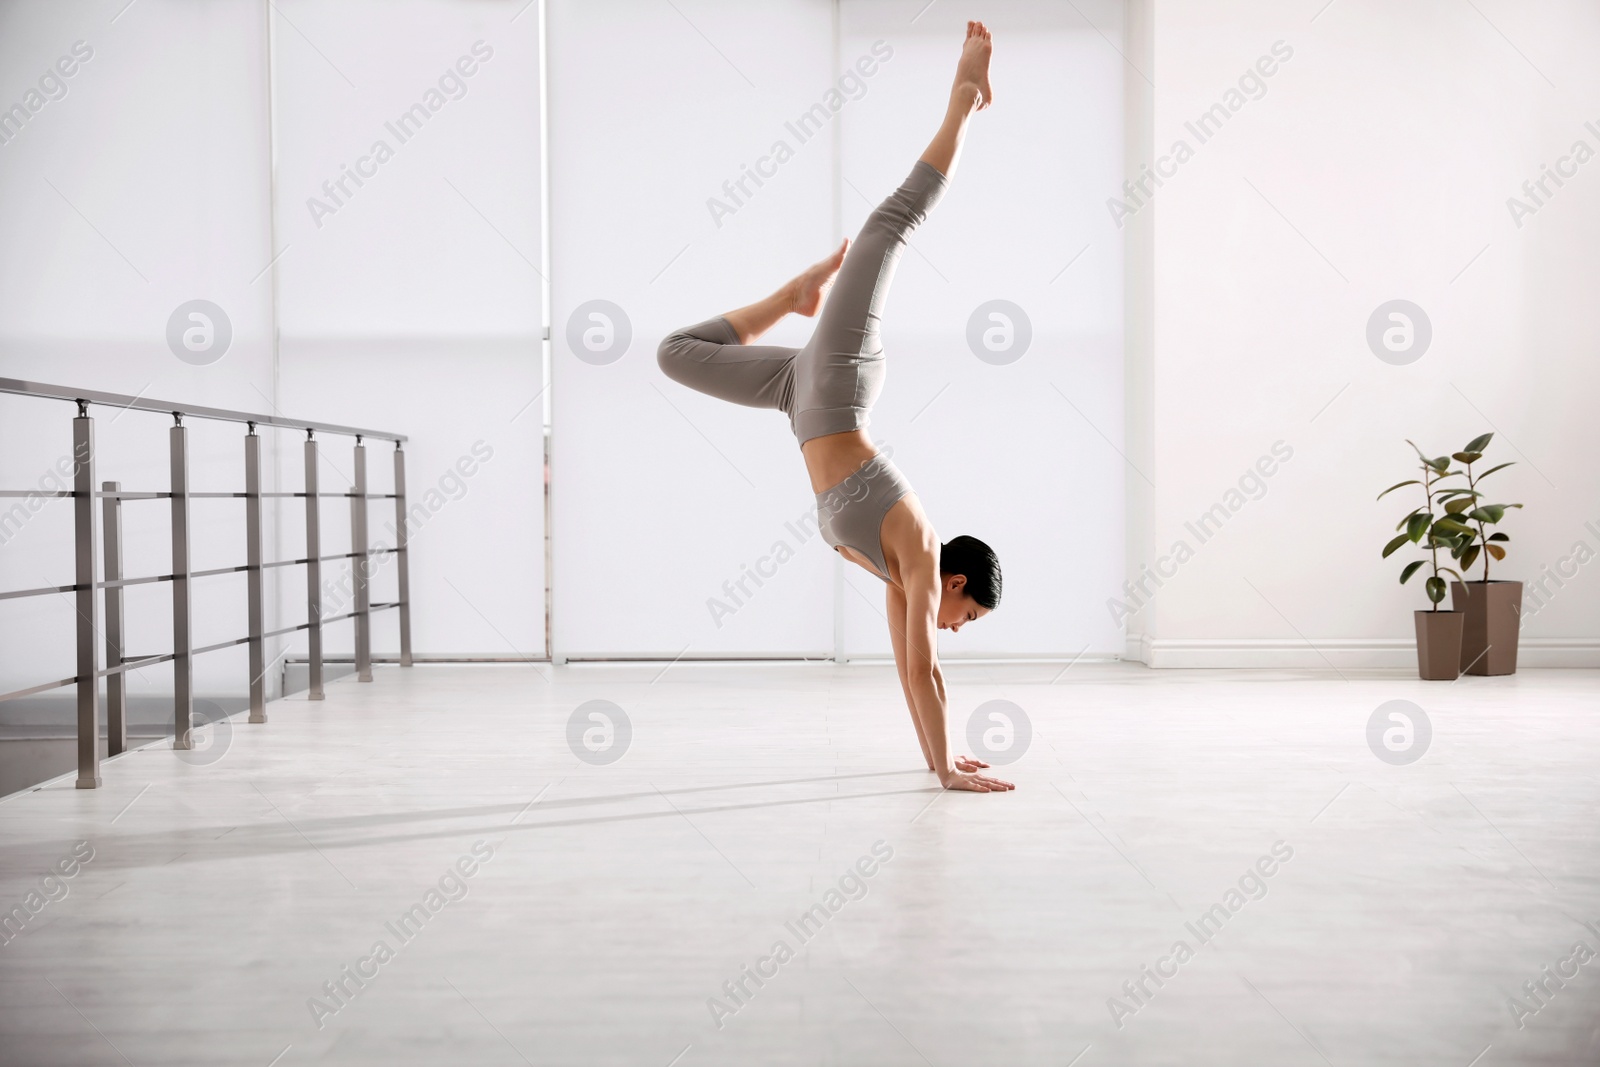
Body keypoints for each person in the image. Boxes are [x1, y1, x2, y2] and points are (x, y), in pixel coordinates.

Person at [658, 22, 1013, 793]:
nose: (959, 629)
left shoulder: (897, 572)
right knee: (888, 229)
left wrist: (940, 762)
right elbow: (929, 671)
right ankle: (962, 99)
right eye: (970, 616)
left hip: (800, 399)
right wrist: (951, 772)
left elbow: (908, 675)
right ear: (955, 584)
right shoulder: (917, 552)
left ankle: (789, 300)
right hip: (839, 387)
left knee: (674, 353)